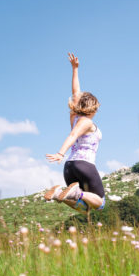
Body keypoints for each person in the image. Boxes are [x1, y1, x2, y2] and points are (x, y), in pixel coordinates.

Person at [43, 52, 106, 212]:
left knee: (85, 208)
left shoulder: (75, 118)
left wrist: (75, 69)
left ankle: (58, 194)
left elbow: (76, 93)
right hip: (84, 165)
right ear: (94, 107)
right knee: (100, 203)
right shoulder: (87, 122)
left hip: (69, 167)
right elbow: (72, 136)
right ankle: (76, 192)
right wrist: (60, 152)